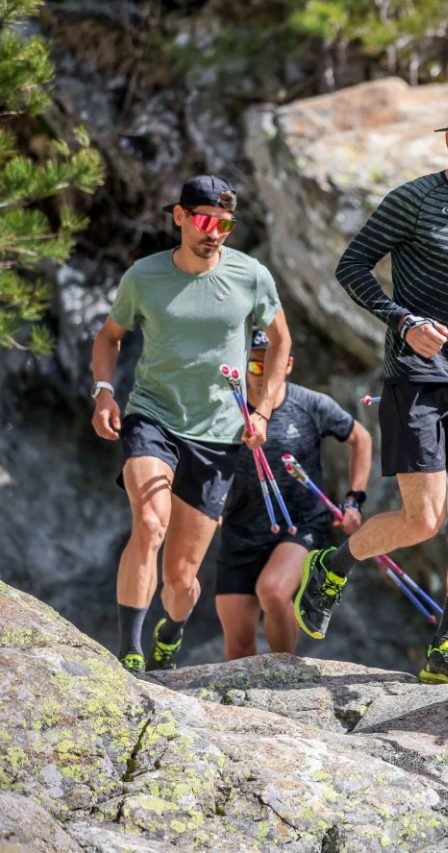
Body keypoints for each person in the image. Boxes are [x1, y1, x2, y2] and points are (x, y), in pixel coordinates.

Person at [293, 93, 448, 685]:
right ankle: (332, 564)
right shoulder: (413, 200)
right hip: (416, 379)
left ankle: (445, 646)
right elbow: (352, 268)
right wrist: (404, 321)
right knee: (424, 519)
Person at [91, 174, 290, 673]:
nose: (215, 233)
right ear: (179, 217)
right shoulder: (144, 276)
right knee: (150, 524)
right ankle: (129, 656)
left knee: (181, 581)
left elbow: (280, 340)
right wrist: (104, 393)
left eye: (225, 224)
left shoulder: (252, 276)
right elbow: (109, 336)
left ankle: (170, 631)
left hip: (219, 435)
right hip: (152, 416)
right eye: (205, 220)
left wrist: (262, 410)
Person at [214, 328, 372, 660]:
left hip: (301, 525)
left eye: (270, 365)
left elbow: (361, 438)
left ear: (287, 365)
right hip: (240, 532)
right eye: (254, 365)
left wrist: (353, 500)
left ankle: (286, 674)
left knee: (272, 592)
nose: (261, 374)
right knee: (238, 648)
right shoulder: (226, 409)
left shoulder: (310, 404)